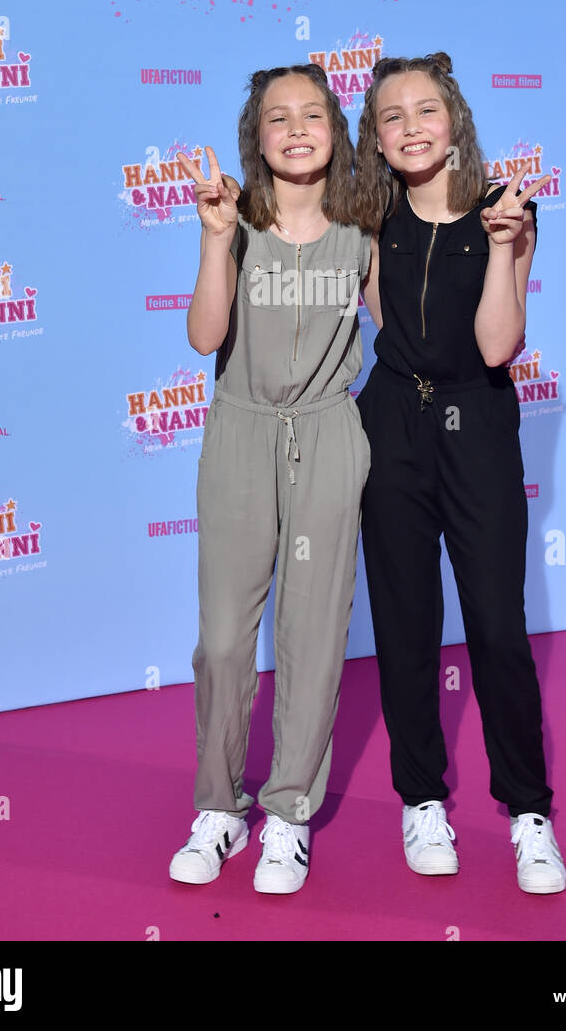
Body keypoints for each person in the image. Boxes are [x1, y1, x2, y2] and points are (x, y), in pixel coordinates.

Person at [354, 51, 566, 894]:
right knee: (404, 625)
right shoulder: (372, 218)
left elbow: (492, 346)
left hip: (475, 422)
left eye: (425, 110)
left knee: (496, 625)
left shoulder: (506, 208)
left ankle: (528, 813)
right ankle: (420, 800)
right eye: (392, 116)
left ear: (455, 120)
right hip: (391, 427)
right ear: (374, 137)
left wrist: (506, 251)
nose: (410, 127)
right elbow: (382, 324)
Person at [168, 63, 372, 894]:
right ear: (255, 137)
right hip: (242, 434)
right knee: (223, 639)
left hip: (328, 435)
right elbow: (203, 334)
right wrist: (215, 238)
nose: (295, 129)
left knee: (313, 637)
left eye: (312, 115)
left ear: (335, 130)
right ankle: (220, 807)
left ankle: (287, 814)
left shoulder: (364, 231)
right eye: (277, 117)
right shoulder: (235, 222)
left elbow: (408, 329)